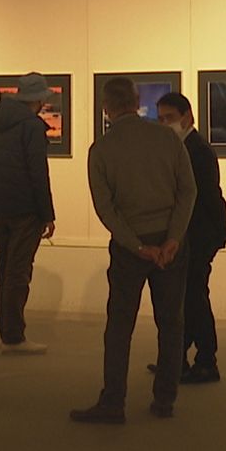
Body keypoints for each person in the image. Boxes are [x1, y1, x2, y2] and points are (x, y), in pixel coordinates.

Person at [71, 76, 197, 423]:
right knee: (171, 322)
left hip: (130, 249)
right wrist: (173, 238)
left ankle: (113, 401)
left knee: (119, 325)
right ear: (137, 100)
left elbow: (105, 208)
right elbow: (188, 191)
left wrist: (137, 245)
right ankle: (165, 399)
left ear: (106, 108)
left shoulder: (102, 149)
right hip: (171, 245)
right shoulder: (166, 138)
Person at [0, 72, 57, 355]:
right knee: (18, 273)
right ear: (38, 99)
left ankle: (8, 332)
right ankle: (13, 337)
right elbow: (38, 173)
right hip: (25, 209)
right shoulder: (31, 126)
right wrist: (47, 214)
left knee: (4, 271)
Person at [157, 92, 226, 383]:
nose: (165, 124)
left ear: (187, 117)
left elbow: (209, 196)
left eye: (170, 118)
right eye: (160, 119)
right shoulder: (181, 148)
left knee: (194, 298)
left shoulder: (198, 150)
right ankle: (179, 358)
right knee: (187, 298)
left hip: (199, 235)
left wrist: (219, 229)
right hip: (188, 233)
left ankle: (206, 360)